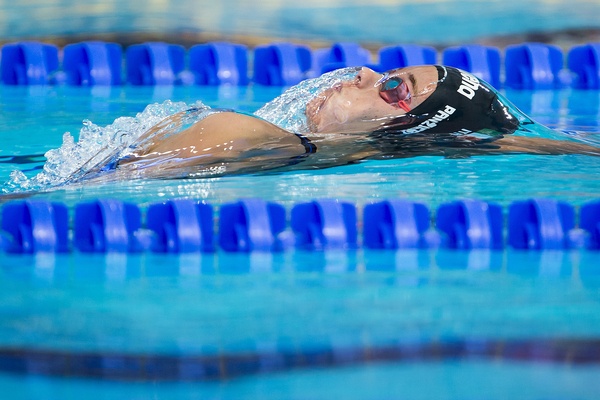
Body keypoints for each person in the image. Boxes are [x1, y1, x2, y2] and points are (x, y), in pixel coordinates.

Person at [24, 65, 600, 187]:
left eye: (395, 89)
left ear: (420, 127)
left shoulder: (255, 137)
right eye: (387, 69)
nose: (364, 75)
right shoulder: (260, 140)